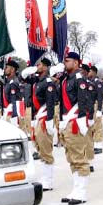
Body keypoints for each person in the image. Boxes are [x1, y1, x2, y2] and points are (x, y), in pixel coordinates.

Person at [58, 50, 94, 205]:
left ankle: (82, 192)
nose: (65, 63)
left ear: (76, 63)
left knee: (79, 157)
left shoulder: (79, 78)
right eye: (65, 60)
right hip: (67, 120)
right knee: (71, 158)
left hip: (75, 122)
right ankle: (76, 189)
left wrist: (82, 121)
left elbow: (84, 100)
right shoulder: (66, 79)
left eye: (68, 61)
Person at [22, 58, 60, 191]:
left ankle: (48, 181)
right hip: (37, 117)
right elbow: (23, 77)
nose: (36, 66)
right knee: (39, 147)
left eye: (39, 64)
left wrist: (49, 121)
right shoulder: (37, 80)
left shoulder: (48, 82)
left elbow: (50, 103)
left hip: (44, 118)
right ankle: (45, 177)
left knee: (45, 149)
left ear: (45, 67)